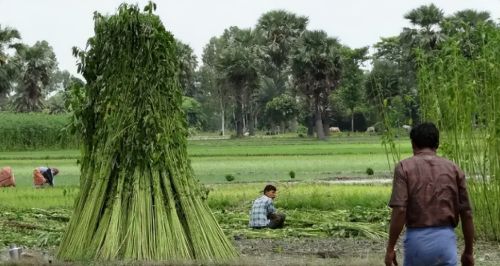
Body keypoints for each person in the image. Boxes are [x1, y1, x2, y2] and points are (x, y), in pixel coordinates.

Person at [385, 122, 475, 266]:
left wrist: (390, 248)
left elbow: (400, 210)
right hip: (446, 242)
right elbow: (467, 214)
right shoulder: (454, 169)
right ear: (437, 144)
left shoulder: (404, 168)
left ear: (413, 144)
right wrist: (469, 252)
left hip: (416, 242)